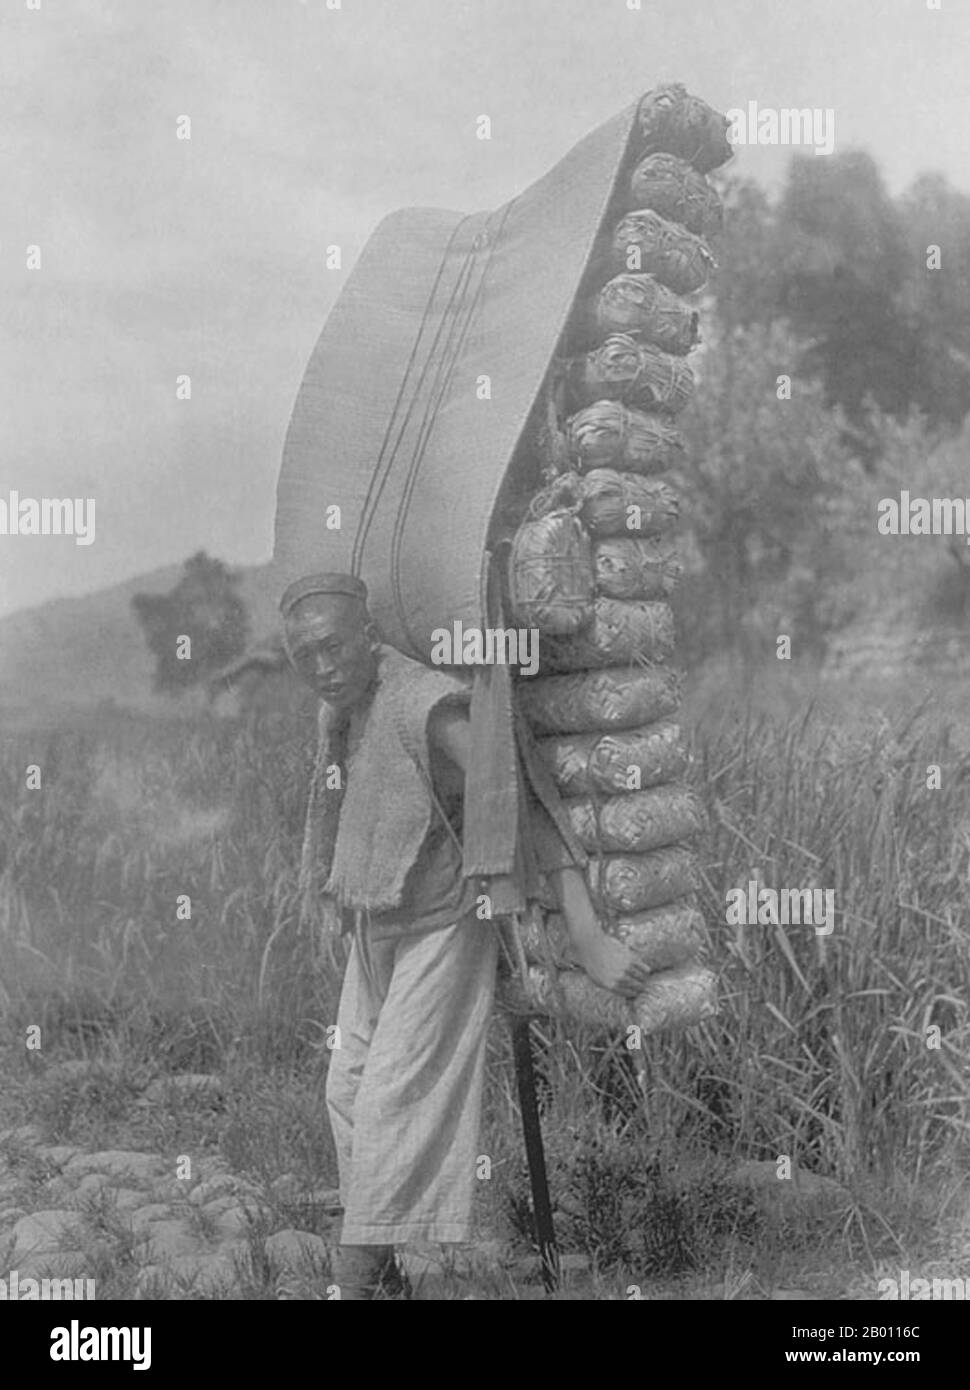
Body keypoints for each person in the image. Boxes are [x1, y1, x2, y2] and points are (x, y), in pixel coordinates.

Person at [280, 570, 651, 1299]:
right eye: (304, 657)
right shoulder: (342, 711)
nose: (322, 667)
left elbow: (512, 790)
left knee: (393, 1103)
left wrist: (584, 931)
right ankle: (385, 1277)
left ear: (367, 635)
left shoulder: (422, 702)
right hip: (378, 921)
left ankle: (352, 1286)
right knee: (346, 1091)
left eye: (331, 647)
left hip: (445, 926)